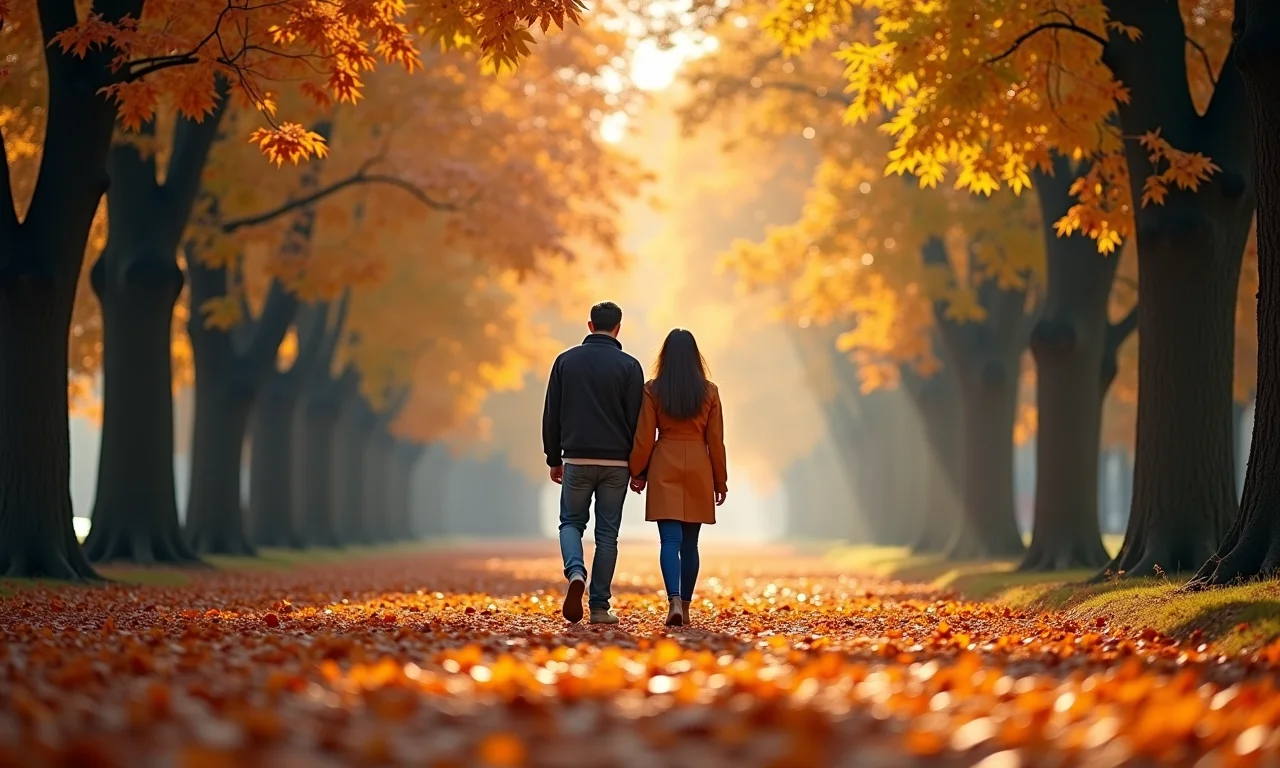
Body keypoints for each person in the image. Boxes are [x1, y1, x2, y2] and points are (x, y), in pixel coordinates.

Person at [542, 301, 645, 625]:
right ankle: (599, 607)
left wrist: (553, 457)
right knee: (607, 535)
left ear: (590, 326)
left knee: (571, 522)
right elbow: (637, 421)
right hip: (616, 464)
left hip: (576, 458)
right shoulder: (629, 366)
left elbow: (552, 413)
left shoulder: (565, 362)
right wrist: (639, 467)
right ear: (618, 327)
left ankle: (575, 572)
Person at [628, 328, 728, 627]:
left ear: (665, 357)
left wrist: (637, 470)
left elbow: (645, 437)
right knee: (691, 544)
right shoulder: (709, 391)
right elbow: (716, 440)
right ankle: (684, 608)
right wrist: (720, 480)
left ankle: (671, 599)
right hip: (698, 464)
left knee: (669, 540)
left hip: (664, 463)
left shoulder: (652, 390)